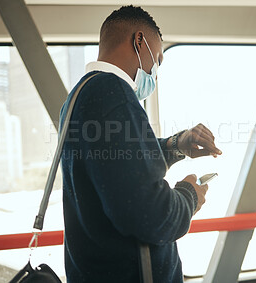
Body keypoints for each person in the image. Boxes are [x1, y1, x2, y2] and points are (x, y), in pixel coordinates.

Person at [60, 5, 222, 283]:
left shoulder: (80, 95)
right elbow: (152, 217)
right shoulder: (116, 96)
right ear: (138, 41)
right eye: (157, 59)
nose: (154, 72)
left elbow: (116, 166)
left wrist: (175, 145)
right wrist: (190, 195)